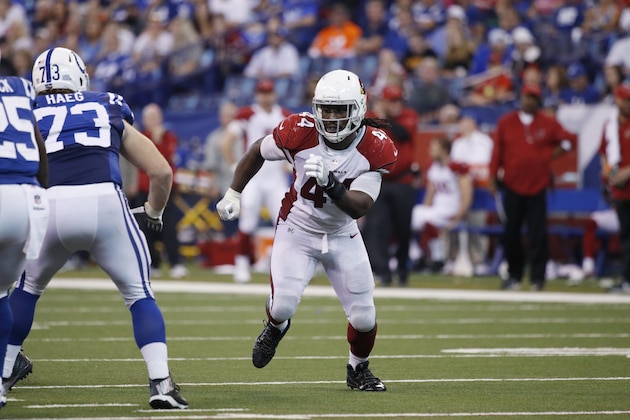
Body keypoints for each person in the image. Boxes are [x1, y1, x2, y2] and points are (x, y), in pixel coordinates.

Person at [3, 47, 188, 409]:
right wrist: (154, 209)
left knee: (27, 290)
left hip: (49, 204)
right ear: (80, 75)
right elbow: (162, 171)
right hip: (105, 201)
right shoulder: (106, 104)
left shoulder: (26, 109)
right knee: (139, 295)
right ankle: (161, 383)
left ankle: (3, 377)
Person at [216, 69, 396, 391]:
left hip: (343, 232)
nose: (330, 117)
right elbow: (258, 149)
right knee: (282, 305)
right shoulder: (300, 131)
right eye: (325, 108)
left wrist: (332, 184)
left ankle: (358, 369)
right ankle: (275, 326)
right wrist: (234, 192)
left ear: (358, 109)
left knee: (365, 317)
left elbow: (360, 206)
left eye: (339, 109)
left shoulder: (374, 147)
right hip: (297, 229)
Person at [489, 84, 578, 291]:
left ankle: (538, 278)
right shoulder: (506, 122)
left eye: (533, 98)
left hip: (538, 185)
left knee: (538, 234)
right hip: (512, 183)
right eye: (526, 97)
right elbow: (497, 152)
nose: (529, 101)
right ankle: (514, 275)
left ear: (538, 101)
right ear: (521, 98)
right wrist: (492, 176)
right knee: (511, 233)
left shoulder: (547, 123)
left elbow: (569, 140)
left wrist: (550, 156)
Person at [0, 76, 49, 410]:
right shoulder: (20, 88)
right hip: (29, 197)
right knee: (3, 291)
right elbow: (39, 147)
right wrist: (41, 190)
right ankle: (2, 377)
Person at [220, 79, 291, 283]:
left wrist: (289, 162)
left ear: (274, 94)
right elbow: (227, 142)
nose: (265, 97)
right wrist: (235, 166)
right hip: (254, 177)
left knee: (286, 222)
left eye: (268, 93)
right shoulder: (247, 115)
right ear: (257, 95)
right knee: (248, 220)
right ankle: (241, 263)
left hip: (276, 177)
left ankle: (284, 265)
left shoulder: (284, 115)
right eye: (262, 93)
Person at [362, 84, 420, 286]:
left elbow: (403, 133)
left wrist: (382, 117)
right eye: (392, 100)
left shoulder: (409, 116)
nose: (397, 105)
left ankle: (403, 271)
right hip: (380, 181)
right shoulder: (373, 117)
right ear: (385, 101)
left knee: (403, 230)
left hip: (403, 181)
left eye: (398, 100)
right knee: (379, 229)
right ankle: (384, 272)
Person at [132, 103, 188, 279]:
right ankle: (151, 263)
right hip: (145, 187)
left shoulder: (168, 136)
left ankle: (175, 262)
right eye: (150, 117)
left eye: (156, 117)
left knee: (168, 226)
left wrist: (158, 141)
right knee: (145, 228)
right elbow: (140, 159)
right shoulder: (140, 136)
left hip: (164, 188)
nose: (153, 121)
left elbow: (166, 159)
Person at [410, 137, 473, 272]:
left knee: (419, 217)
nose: (430, 151)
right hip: (437, 210)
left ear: (444, 151)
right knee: (412, 215)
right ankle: (421, 256)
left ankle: (426, 257)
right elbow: (430, 194)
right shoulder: (433, 167)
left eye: (434, 148)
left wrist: (458, 217)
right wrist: (426, 208)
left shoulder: (456, 168)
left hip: (451, 210)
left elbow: (466, 194)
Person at [450, 113, 494, 275]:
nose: (461, 124)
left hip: (480, 189)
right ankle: (454, 259)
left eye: (464, 121)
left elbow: (484, 165)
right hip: (460, 190)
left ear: (472, 122)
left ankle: (479, 260)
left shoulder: (484, 141)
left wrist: (465, 169)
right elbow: (454, 165)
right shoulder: (458, 143)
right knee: (456, 224)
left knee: (477, 224)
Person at [598, 82, 630, 293]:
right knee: (626, 237)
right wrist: (610, 174)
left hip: (626, 181)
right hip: (620, 190)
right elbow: (604, 153)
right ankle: (627, 279)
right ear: (618, 100)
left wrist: (626, 172)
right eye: (626, 99)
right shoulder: (610, 125)